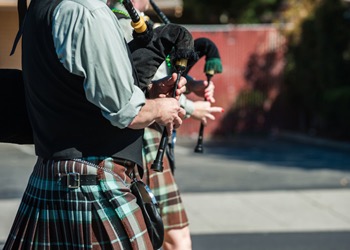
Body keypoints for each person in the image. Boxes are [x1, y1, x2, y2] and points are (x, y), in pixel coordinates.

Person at [3, 0, 188, 249]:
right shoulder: (87, 10)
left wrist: (150, 92)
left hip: (49, 178)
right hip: (94, 184)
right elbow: (126, 112)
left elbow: (76, 92)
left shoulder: (39, 7)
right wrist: (161, 108)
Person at [109, 1, 223, 249]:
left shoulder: (130, 21)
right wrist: (193, 109)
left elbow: (164, 69)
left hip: (147, 134)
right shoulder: (122, 23)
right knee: (175, 237)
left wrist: (192, 84)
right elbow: (144, 83)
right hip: (146, 137)